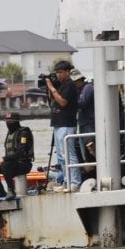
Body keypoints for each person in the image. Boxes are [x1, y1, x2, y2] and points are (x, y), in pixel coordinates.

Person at [44, 60, 81, 191]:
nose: (58, 75)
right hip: (59, 124)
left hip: (66, 124)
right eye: (57, 73)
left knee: (69, 154)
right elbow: (53, 101)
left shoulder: (70, 85)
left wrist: (52, 88)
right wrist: (51, 89)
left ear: (67, 72)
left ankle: (75, 182)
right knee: (61, 156)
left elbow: (63, 102)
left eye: (60, 72)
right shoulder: (62, 85)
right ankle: (66, 181)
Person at [0, 112, 34, 200]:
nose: (9, 124)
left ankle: (11, 191)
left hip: (24, 164)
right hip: (11, 165)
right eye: (7, 122)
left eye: (11, 122)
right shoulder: (10, 133)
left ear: (16, 122)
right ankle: (1, 191)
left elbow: (20, 153)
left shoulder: (24, 133)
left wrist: (3, 159)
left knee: (5, 165)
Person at [74, 71, 95, 176]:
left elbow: (82, 103)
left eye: (75, 82)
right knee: (85, 152)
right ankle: (90, 172)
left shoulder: (88, 88)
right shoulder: (80, 90)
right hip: (84, 124)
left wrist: (71, 100)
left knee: (91, 148)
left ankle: (94, 170)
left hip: (89, 124)